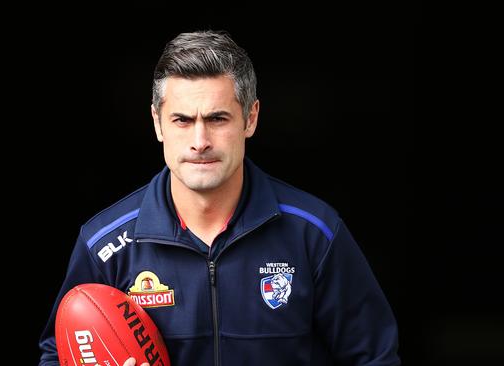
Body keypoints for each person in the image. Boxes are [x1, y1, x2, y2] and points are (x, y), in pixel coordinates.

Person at [38, 30, 400, 366]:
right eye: (181, 120)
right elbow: (57, 353)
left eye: (217, 118)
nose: (200, 141)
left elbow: (374, 356)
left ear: (250, 118)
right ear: (157, 123)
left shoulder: (314, 233)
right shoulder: (104, 245)